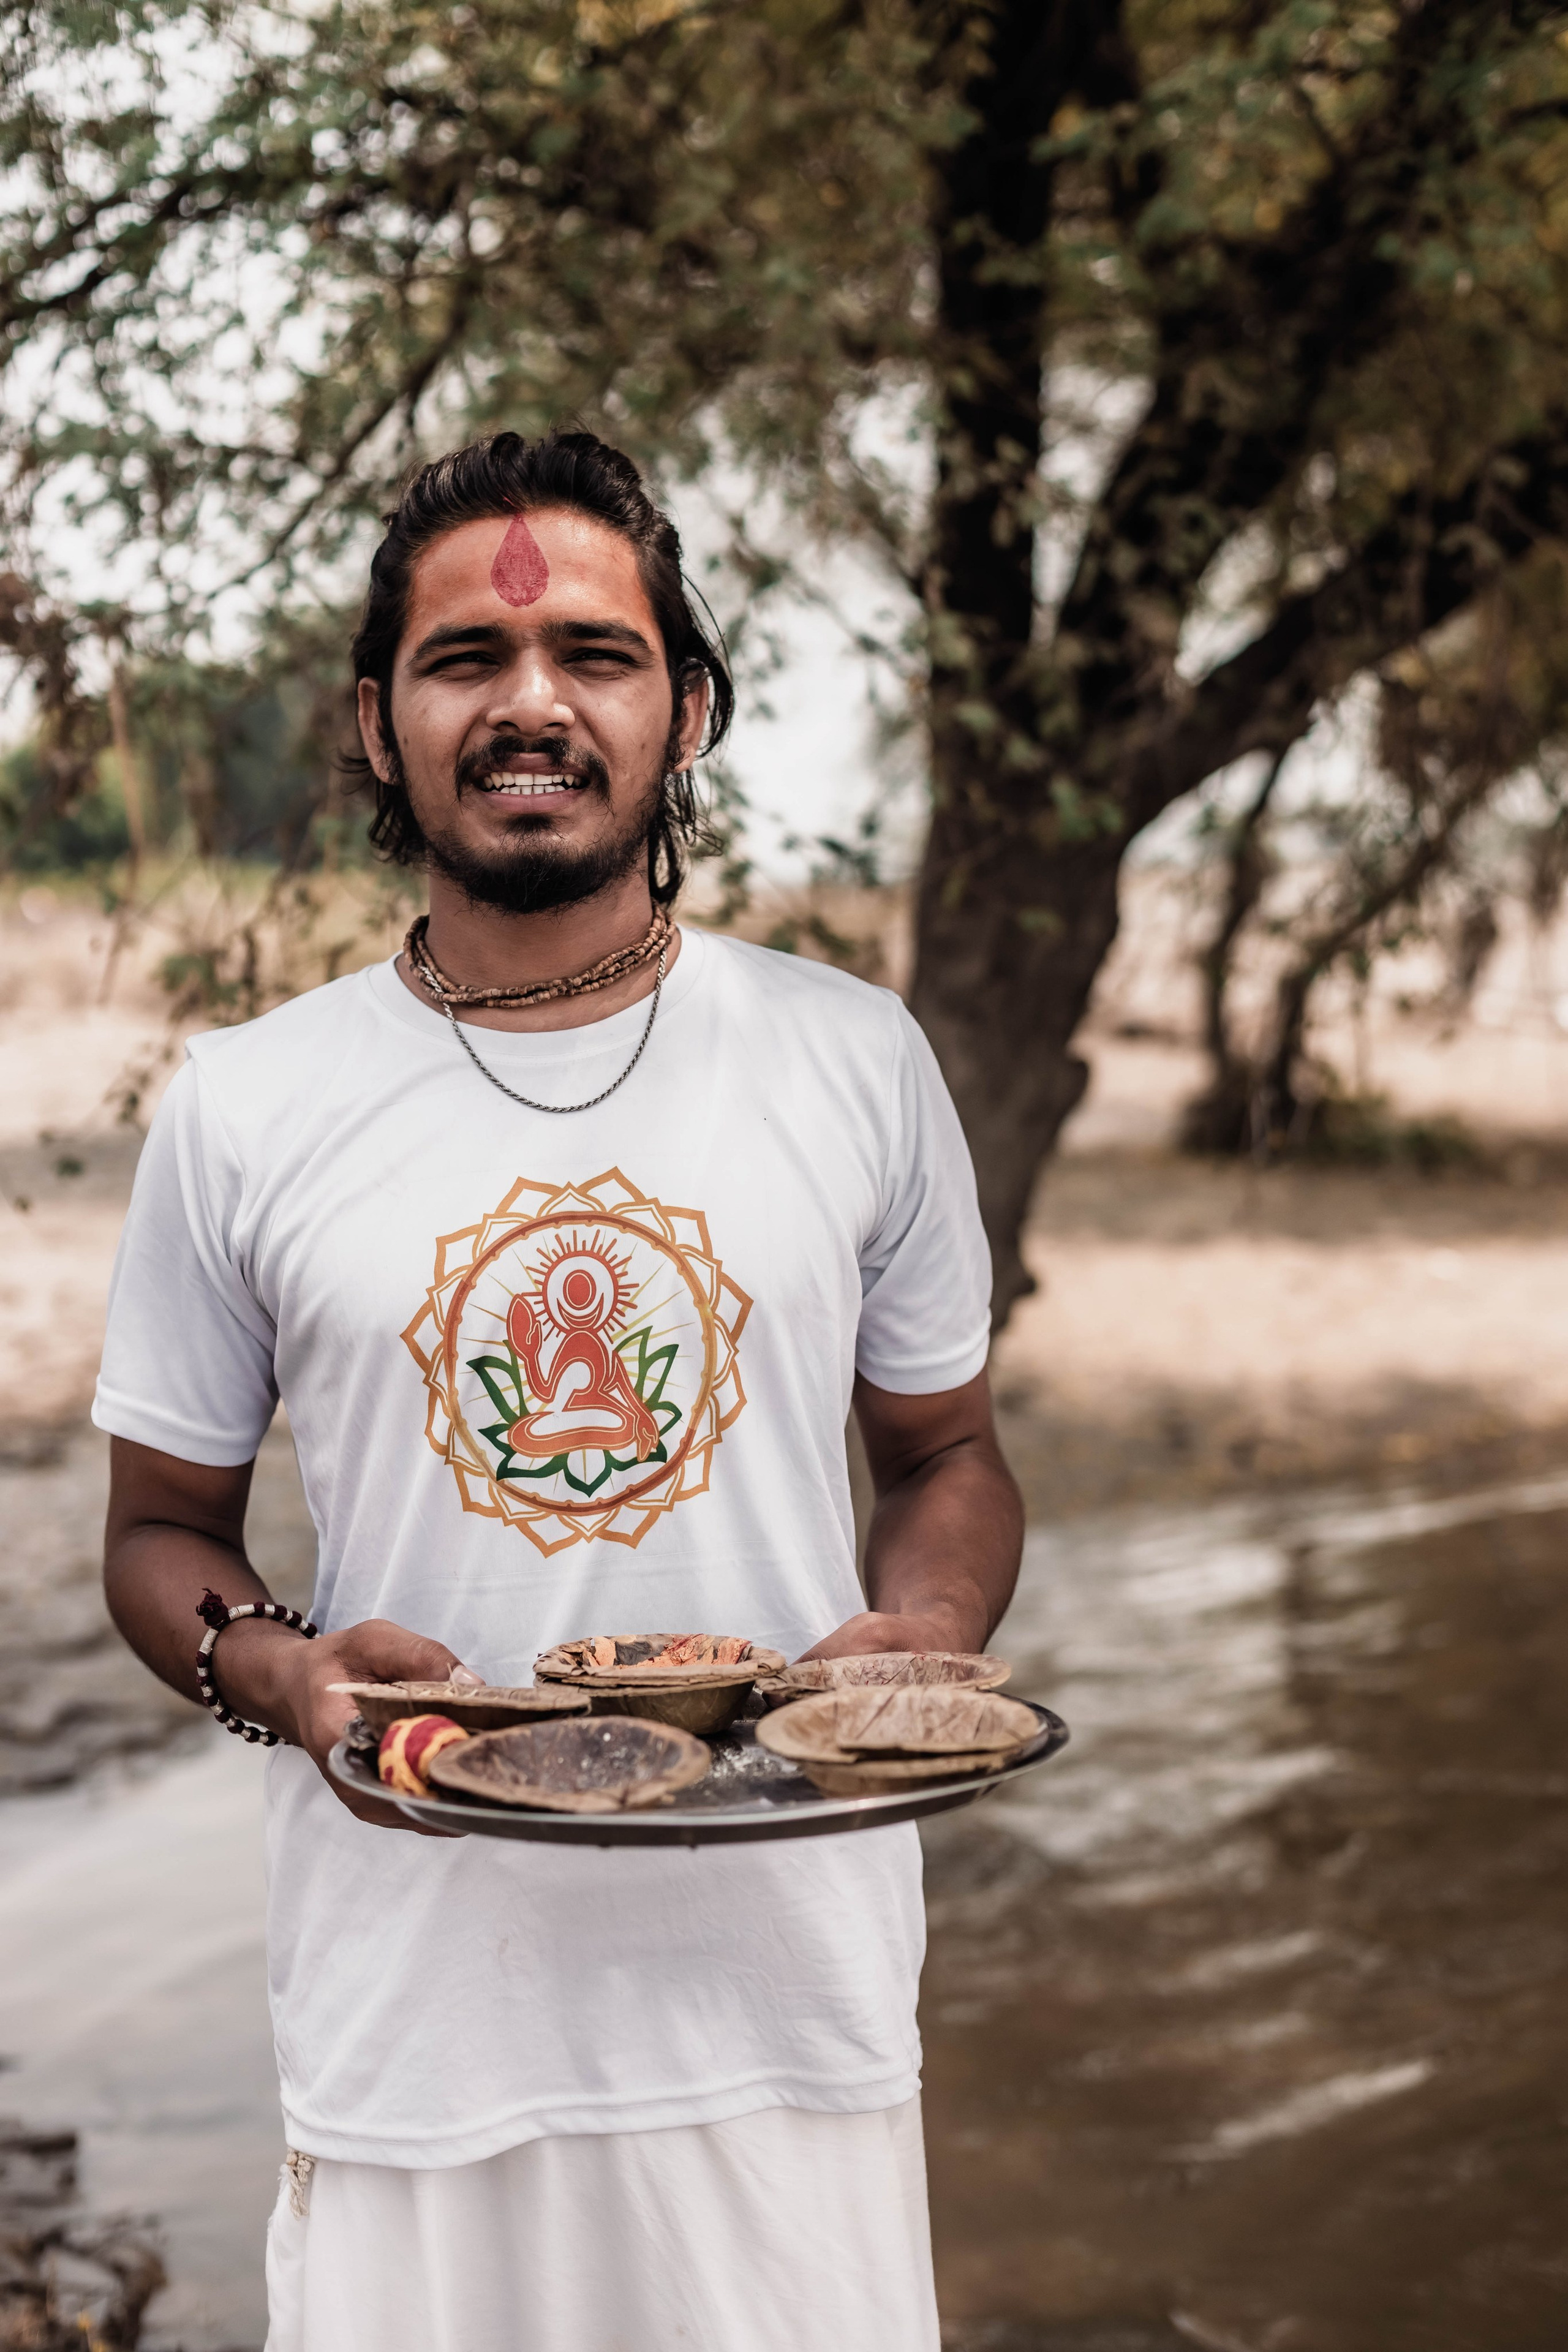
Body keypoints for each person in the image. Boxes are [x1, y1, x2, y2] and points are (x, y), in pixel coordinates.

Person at [95, 429, 1023, 2351]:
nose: (533, 706)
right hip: (414, 2017)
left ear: (684, 710)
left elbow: (946, 1455)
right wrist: (286, 1673)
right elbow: (161, 1537)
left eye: (597, 657)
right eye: (466, 662)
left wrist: (917, 1642)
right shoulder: (251, 1105)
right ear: (377, 722)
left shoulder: (850, 1060)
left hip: (792, 2009)